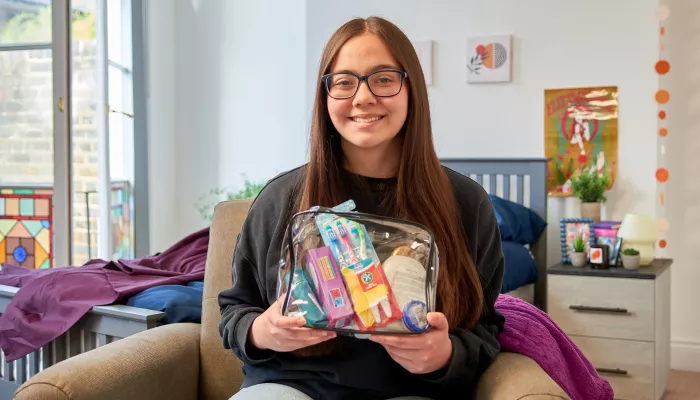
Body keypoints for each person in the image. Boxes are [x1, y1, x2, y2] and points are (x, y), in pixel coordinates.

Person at [218, 16, 505, 400]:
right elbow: (235, 311)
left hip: (411, 389)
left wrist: (447, 354)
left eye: (383, 78)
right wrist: (263, 331)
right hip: (289, 385)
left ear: (411, 89)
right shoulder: (280, 198)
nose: (363, 97)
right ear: (326, 96)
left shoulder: (466, 203)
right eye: (344, 81)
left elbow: (487, 330)